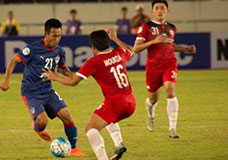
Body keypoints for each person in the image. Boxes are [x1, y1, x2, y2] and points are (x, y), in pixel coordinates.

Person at [42, 29, 136, 160]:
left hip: (116, 103)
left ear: (93, 47)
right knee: (105, 115)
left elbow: (73, 81)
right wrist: (115, 38)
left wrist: (54, 77)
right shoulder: (119, 53)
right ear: (108, 42)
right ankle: (119, 143)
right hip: (131, 103)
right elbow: (131, 50)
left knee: (91, 128)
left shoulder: (94, 62)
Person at [0, 18, 87, 156]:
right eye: (54, 36)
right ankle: (37, 128)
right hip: (31, 92)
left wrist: (71, 74)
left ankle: (74, 149)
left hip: (47, 90)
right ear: (46, 34)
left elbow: (62, 68)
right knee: (43, 120)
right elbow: (14, 61)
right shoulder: (32, 49)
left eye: (59, 36)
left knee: (67, 116)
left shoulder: (59, 51)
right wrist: (6, 80)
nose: (57, 39)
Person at [133, 0, 196, 138]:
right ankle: (150, 112)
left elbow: (169, 46)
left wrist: (186, 49)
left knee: (170, 90)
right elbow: (136, 48)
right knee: (153, 99)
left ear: (167, 11)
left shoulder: (172, 28)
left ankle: (172, 128)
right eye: (157, 8)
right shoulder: (146, 26)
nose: (160, 10)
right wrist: (154, 41)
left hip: (169, 63)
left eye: (163, 8)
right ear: (153, 12)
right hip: (153, 67)